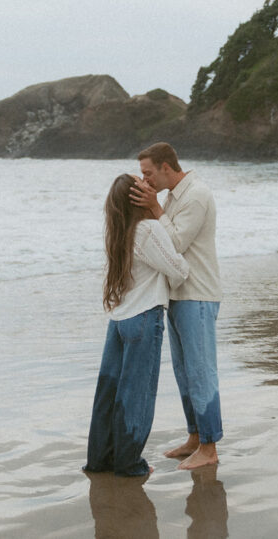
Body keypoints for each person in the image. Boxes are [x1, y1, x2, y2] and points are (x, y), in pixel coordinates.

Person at [85, 173, 190, 477]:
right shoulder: (148, 229)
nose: (147, 183)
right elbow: (178, 270)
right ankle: (129, 463)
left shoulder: (118, 231)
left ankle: (99, 460)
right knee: (137, 393)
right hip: (144, 317)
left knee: (108, 393)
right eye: (140, 182)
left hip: (119, 320)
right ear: (136, 196)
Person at [131, 142, 223, 470]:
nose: (145, 179)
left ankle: (210, 447)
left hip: (198, 294)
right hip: (178, 294)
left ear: (166, 167)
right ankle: (196, 438)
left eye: (148, 173)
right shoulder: (172, 196)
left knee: (201, 371)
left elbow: (174, 243)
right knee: (184, 372)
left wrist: (155, 208)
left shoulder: (196, 194)